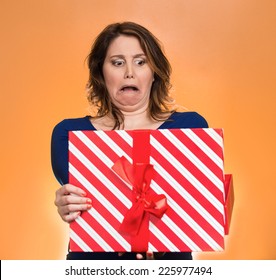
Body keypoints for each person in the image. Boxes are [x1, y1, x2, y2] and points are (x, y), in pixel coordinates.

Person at [51, 21, 208, 260]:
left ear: (153, 72)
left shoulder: (190, 128)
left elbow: (198, 207)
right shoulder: (69, 135)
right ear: (101, 73)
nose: (129, 72)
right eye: (117, 62)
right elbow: (84, 206)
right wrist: (67, 203)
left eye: (140, 61)